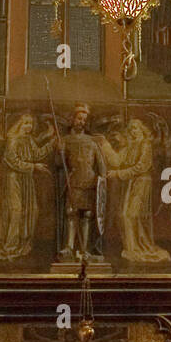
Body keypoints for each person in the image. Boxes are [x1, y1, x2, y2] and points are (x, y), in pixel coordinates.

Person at [104, 118, 170, 263]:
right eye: (131, 129)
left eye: (136, 128)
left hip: (142, 182)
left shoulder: (145, 145)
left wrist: (118, 174)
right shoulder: (129, 146)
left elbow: (141, 167)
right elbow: (117, 161)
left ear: (142, 130)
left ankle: (140, 247)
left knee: (133, 214)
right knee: (123, 214)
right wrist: (105, 145)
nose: (133, 131)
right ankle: (131, 248)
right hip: (130, 182)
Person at [0, 113, 52, 261]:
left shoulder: (29, 139)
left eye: (30, 123)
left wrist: (51, 144)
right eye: (25, 123)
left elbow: (37, 154)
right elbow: (13, 161)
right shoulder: (13, 140)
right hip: (14, 179)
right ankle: (10, 246)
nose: (28, 126)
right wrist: (34, 166)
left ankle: (23, 243)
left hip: (26, 179)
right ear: (19, 124)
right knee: (16, 211)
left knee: (32, 210)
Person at [57, 104, 107, 260]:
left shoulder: (92, 142)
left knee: (87, 214)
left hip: (89, 181)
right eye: (79, 118)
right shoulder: (65, 140)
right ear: (72, 119)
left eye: (84, 119)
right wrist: (60, 151)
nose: (81, 122)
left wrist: (101, 180)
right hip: (74, 180)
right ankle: (69, 247)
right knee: (71, 213)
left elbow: (101, 166)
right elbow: (59, 164)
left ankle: (85, 249)